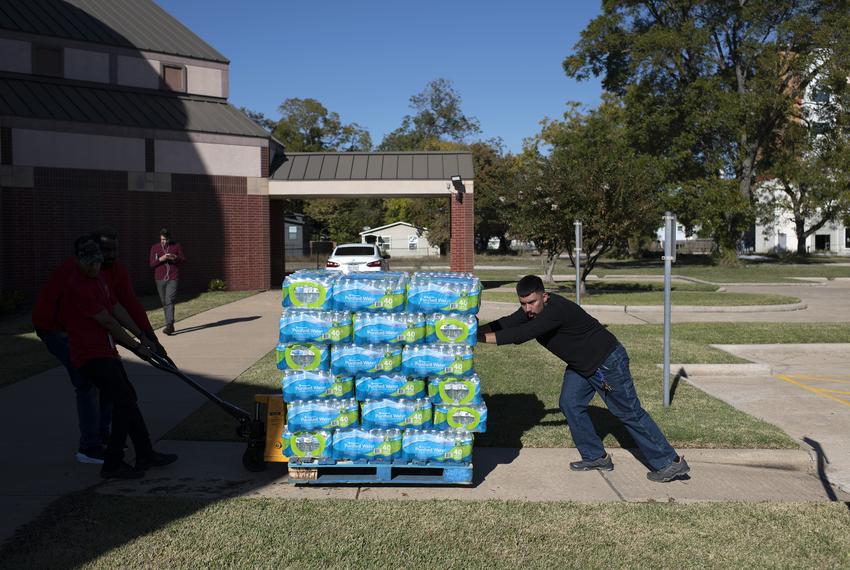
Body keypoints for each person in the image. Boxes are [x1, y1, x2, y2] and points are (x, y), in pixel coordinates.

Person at [477, 275, 690, 482]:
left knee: (629, 412)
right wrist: (475, 329)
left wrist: (474, 337)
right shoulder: (532, 311)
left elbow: (520, 335)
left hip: (606, 363)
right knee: (570, 403)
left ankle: (669, 461)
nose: (527, 309)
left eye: (531, 302)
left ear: (545, 296)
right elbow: (507, 323)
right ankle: (595, 457)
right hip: (582, 365)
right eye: (523, 304)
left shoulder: (555, 311)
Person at [65, 235, 178, 479]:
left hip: (106, 352)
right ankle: (113, 463)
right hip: (90, 355)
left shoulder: (99, 279)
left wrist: (143, 336)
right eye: (89, 263)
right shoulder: (78, 285)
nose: (95, 267)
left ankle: (145, 452)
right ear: (78, 261)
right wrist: (137, 347)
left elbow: (117, 309)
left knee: (128, 399)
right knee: (125, 400)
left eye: (97, 262)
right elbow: (106, 320)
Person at [149, 228, 185, 336]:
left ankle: (169, 324)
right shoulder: (155, 247)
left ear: (169, 238)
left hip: (173, 277)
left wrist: (175, 257)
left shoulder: (176, 246)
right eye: (162, 239)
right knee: (164, 302)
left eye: (165, 239)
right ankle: (170, 325)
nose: (163, 241)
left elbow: (183, 259)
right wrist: (162, 258)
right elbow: (152, 264)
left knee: (169, 300)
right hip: (159, 278)